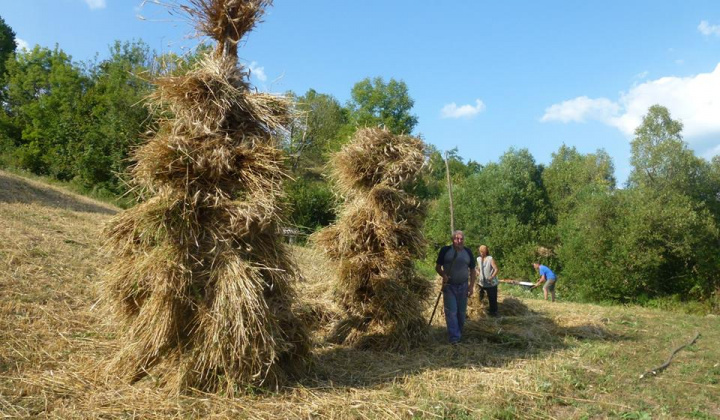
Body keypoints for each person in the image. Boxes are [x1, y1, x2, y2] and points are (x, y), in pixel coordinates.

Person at [435, 230, 476, 344]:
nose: (459, 241)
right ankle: (454, 338)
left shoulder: (468, 252)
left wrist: (471, 286)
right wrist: (443, 275)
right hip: (449, 286)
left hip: (463, 286)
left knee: (461, 313)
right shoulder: (445, 250)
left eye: (461, 239)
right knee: (451, 312)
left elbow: (472, 271)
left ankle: (459, 333)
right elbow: (438, 267)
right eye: (457, 239)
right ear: (452, 240)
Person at [476, 245, 499, 317]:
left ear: (486, 251)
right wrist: (477, 272)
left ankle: (493, 313)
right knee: (479, 297)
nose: (481, 253)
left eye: (483, 251)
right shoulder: (478, 259)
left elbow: (496, 269)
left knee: (492, 298)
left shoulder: (490, 259)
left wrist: (492, 276)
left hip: (491, 283)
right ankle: (481, 311)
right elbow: (478, 268)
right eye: (480, 251)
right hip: (481, 283)